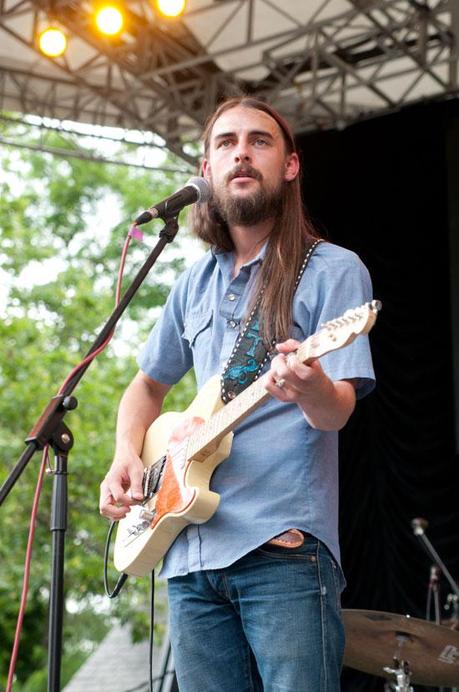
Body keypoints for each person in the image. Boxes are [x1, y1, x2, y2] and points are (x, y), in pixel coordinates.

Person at [100, 97, 375, 691]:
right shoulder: (193, 281)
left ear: (291, 165)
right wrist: (126, 453)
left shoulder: (330, 270)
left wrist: (311, 386)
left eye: (260, 141)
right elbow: (146, 385)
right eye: (226, 143)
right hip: (187, 551)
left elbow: (338, 411)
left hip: (282, 547)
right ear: (207, 168)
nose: (242, 152)